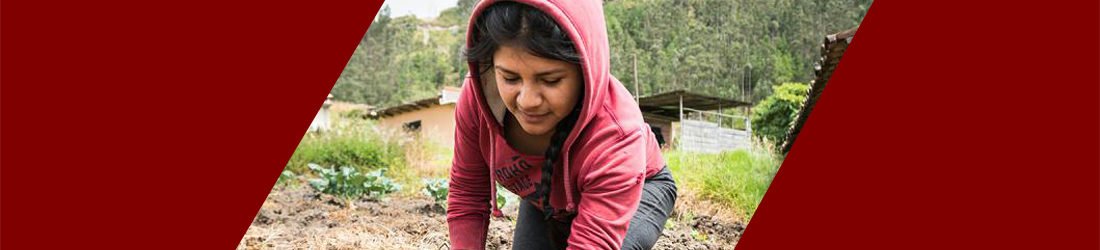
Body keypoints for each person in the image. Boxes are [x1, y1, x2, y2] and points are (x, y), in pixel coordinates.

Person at [447, 1, 677, 249]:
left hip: (640, 189)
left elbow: (592, 243)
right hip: (548, 199)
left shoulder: (617, 133)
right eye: (510, 78)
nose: (528, 101)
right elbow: (467, 194)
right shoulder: (480, 98)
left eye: (550, 80)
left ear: (585, 70)